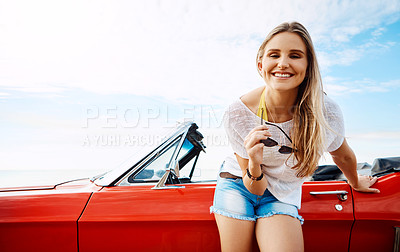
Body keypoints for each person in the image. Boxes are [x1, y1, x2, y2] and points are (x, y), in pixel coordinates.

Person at [210, 21, 379, 252]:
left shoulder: (325, 111)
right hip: (240, 183)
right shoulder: (238, 113)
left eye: (295, 55)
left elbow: (343, 155)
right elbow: (254, 187)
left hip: (282, 192)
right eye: (274, 55)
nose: (283, 63)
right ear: (261, 64)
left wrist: (355, 181)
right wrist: (255, 160)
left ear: (308, 66)